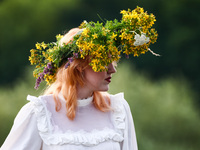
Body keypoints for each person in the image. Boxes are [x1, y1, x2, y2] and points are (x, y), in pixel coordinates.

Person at [1, 7, 158, 150]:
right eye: (104, 63)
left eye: (113, 61)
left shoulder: (118, 109)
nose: (112, 69)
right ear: (78, 67)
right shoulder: (39, 113)